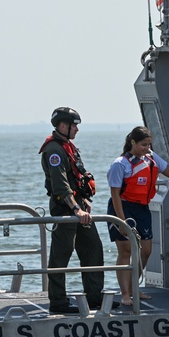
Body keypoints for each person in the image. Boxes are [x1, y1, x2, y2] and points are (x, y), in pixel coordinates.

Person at [106, 126, 169, 306]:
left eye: (149, 144)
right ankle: (125, 294)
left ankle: (135, 287)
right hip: (122, 208)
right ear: (132, 142)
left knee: (146, 250)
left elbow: (168, 171)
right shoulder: (120, 164)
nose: (147, 148)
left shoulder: (151, 158)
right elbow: (115, 194)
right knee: (125, 251)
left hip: (141, 209)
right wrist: (121, 221)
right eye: (143, 145)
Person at [40, 106, 105, 314]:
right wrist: (76, 209)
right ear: (62, 126)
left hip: (80, 207)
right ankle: (58, 301)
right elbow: (60, 185)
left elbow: (77, 177)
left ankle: (94, 296)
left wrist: (84, 200)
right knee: (61, 255)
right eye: (74, 125)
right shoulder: (54, 151)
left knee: (93, 248)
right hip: (66, 210)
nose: (77, 129)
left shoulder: (69, 147)